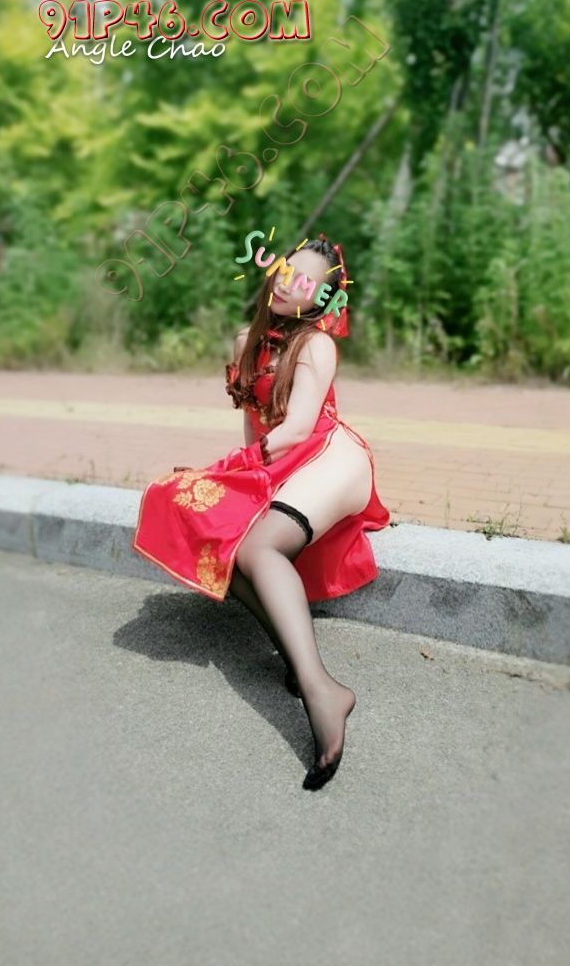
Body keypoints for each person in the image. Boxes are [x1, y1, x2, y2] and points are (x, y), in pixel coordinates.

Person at [132, 234, 391, 790]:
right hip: (277, 463)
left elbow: (296, 428)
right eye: (287, 269)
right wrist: (235, 482)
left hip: (329, 456)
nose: (290, 283)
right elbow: (255, 425)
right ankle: (302, 667)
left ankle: (320, 690)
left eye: (307, 281)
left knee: (258, 547)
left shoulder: (316, 345)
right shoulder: (245, 340)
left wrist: (236, 468)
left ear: (322, 299)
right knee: (212, 528)